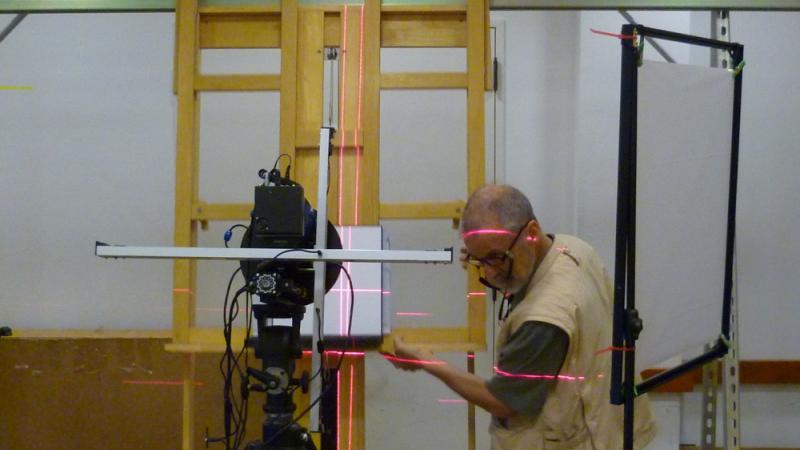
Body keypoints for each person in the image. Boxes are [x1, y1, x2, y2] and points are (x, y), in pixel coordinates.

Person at [386, 184, 656, 449]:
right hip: (614, 430)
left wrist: (426, 361)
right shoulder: (573, 249)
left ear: (531, 233)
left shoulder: (543, 321)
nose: (489, 273)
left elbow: (503, 402)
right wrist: (490, 257)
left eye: (497, 258)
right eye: (480, 260)